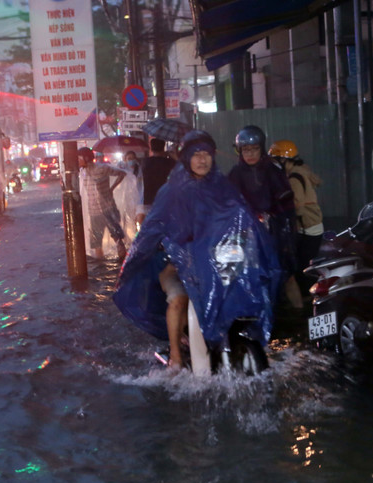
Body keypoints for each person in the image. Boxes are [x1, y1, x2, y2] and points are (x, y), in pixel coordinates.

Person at [113, 130, 281, 371]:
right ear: (186, 158)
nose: (202, 160)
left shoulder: (223, 187)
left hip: (214, 262)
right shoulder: (173, 191)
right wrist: (141, 257)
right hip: (177, 265)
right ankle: (176, 357)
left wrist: (254, 234)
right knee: (179, 299)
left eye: (207, 154)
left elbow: (240, 215)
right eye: (196, 155)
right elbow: (153, 227)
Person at [228, 125, 303, 310]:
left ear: (261, 148)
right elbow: (228, 202)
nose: (250, 154)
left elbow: (287, 201)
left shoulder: (273, 170)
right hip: (247, 234)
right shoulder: (235, 174)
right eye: (246, 149)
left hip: (275, 232)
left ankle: (299, 315)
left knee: (285, 274)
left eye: (254, 149)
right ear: (240, 150)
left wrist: (274, 215)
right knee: (250, 275)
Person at [269, 140, 324, 278]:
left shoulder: (294, 178)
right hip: (314, 224)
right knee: (307, 265)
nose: (274, 164)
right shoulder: (302, 170)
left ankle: (308, 295)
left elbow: (297, 208)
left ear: (283, 159)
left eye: (275, 160)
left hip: (307, 227)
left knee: (302, 268)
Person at [78, 146, 127, 260]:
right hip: (94, 210)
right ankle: (101, 264)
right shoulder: (83, 172)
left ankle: (123, 264)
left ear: (86, 158)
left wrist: (112, 188)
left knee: (117, 238)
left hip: (107, 207)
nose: (78, 161)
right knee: (96, 241)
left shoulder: (102, 168)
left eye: (79, 158)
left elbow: (122, 173)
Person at [138, 137, 176, 230]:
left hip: (148, 200)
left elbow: (139, 182)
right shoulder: (170, 163)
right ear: (163, 148)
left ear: (151, 148)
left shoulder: (145, 162)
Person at [114, 151, 142, 242]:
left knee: (135, 218)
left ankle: (136, 238)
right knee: (124, 218)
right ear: (125, 160)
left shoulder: (139, 169)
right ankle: (125, 238)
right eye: (129, 159)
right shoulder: (123, 168)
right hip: (125, 198)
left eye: (132, 158)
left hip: (137, 198)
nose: (131, 161)